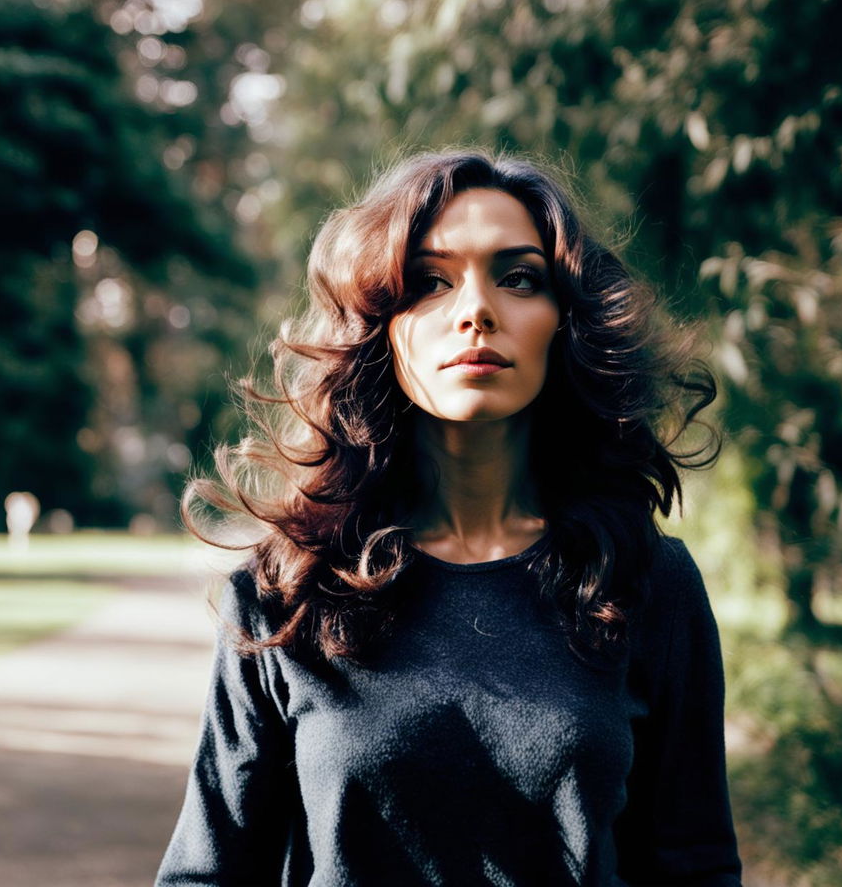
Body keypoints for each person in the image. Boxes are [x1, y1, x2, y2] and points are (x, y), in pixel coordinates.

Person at [156, 149, 743, 886]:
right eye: (430, 282)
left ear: (565, 321)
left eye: (519, 277)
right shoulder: (284, 591)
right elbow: (205, 873)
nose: (476, 311)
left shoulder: (648, 583)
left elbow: (696, 867)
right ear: (381, 324)